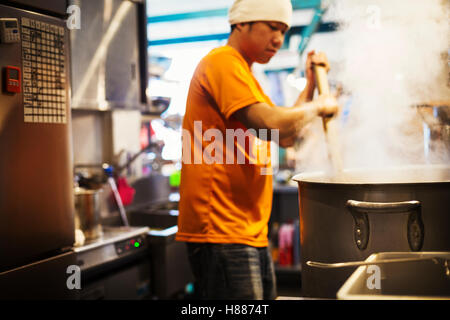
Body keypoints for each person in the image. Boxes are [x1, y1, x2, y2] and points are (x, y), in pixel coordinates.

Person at [175, 0, 339, 300]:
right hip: (221, 228)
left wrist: (312, 86)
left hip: (247, 230)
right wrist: (319, 106)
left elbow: (285, 135)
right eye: (272, 27)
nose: (279, 39)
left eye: (284, 30)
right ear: (242, 23)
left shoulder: (247, 76)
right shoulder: (223, 62)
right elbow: (274, 124)